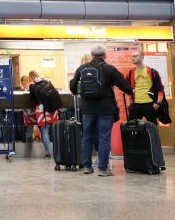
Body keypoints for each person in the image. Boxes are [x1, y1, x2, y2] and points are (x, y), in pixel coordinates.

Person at [70, 45, 132, 177]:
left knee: (87, 137)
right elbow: (124, 84)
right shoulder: (109, 68)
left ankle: (87, 166)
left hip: (87, 109)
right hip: (105, 108)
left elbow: (73, 87)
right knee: (104, 137)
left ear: (92, 55)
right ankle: (103, 168)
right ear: (105, 56)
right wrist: (131, 91)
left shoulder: (82, 68)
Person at [127, 50, 167, 125]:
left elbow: (160, 89)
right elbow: (128, 90)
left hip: (149, 104)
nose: (132, 58)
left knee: (152, 128)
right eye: (132, 56)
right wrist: (129, 104)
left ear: (142, 57)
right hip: (135, 105)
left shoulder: (152, 71)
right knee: (133, 129)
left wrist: (157, 104)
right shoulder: (130, 72)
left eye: (135, 56)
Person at [28, 71, 59, 159]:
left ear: (30, 77)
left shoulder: (32, 86)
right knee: (55, 131)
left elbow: (32, 100)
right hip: (52, 110)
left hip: (41, 111)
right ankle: (58, 151)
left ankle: (48, 153)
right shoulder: (46, 82)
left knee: (44, 132)